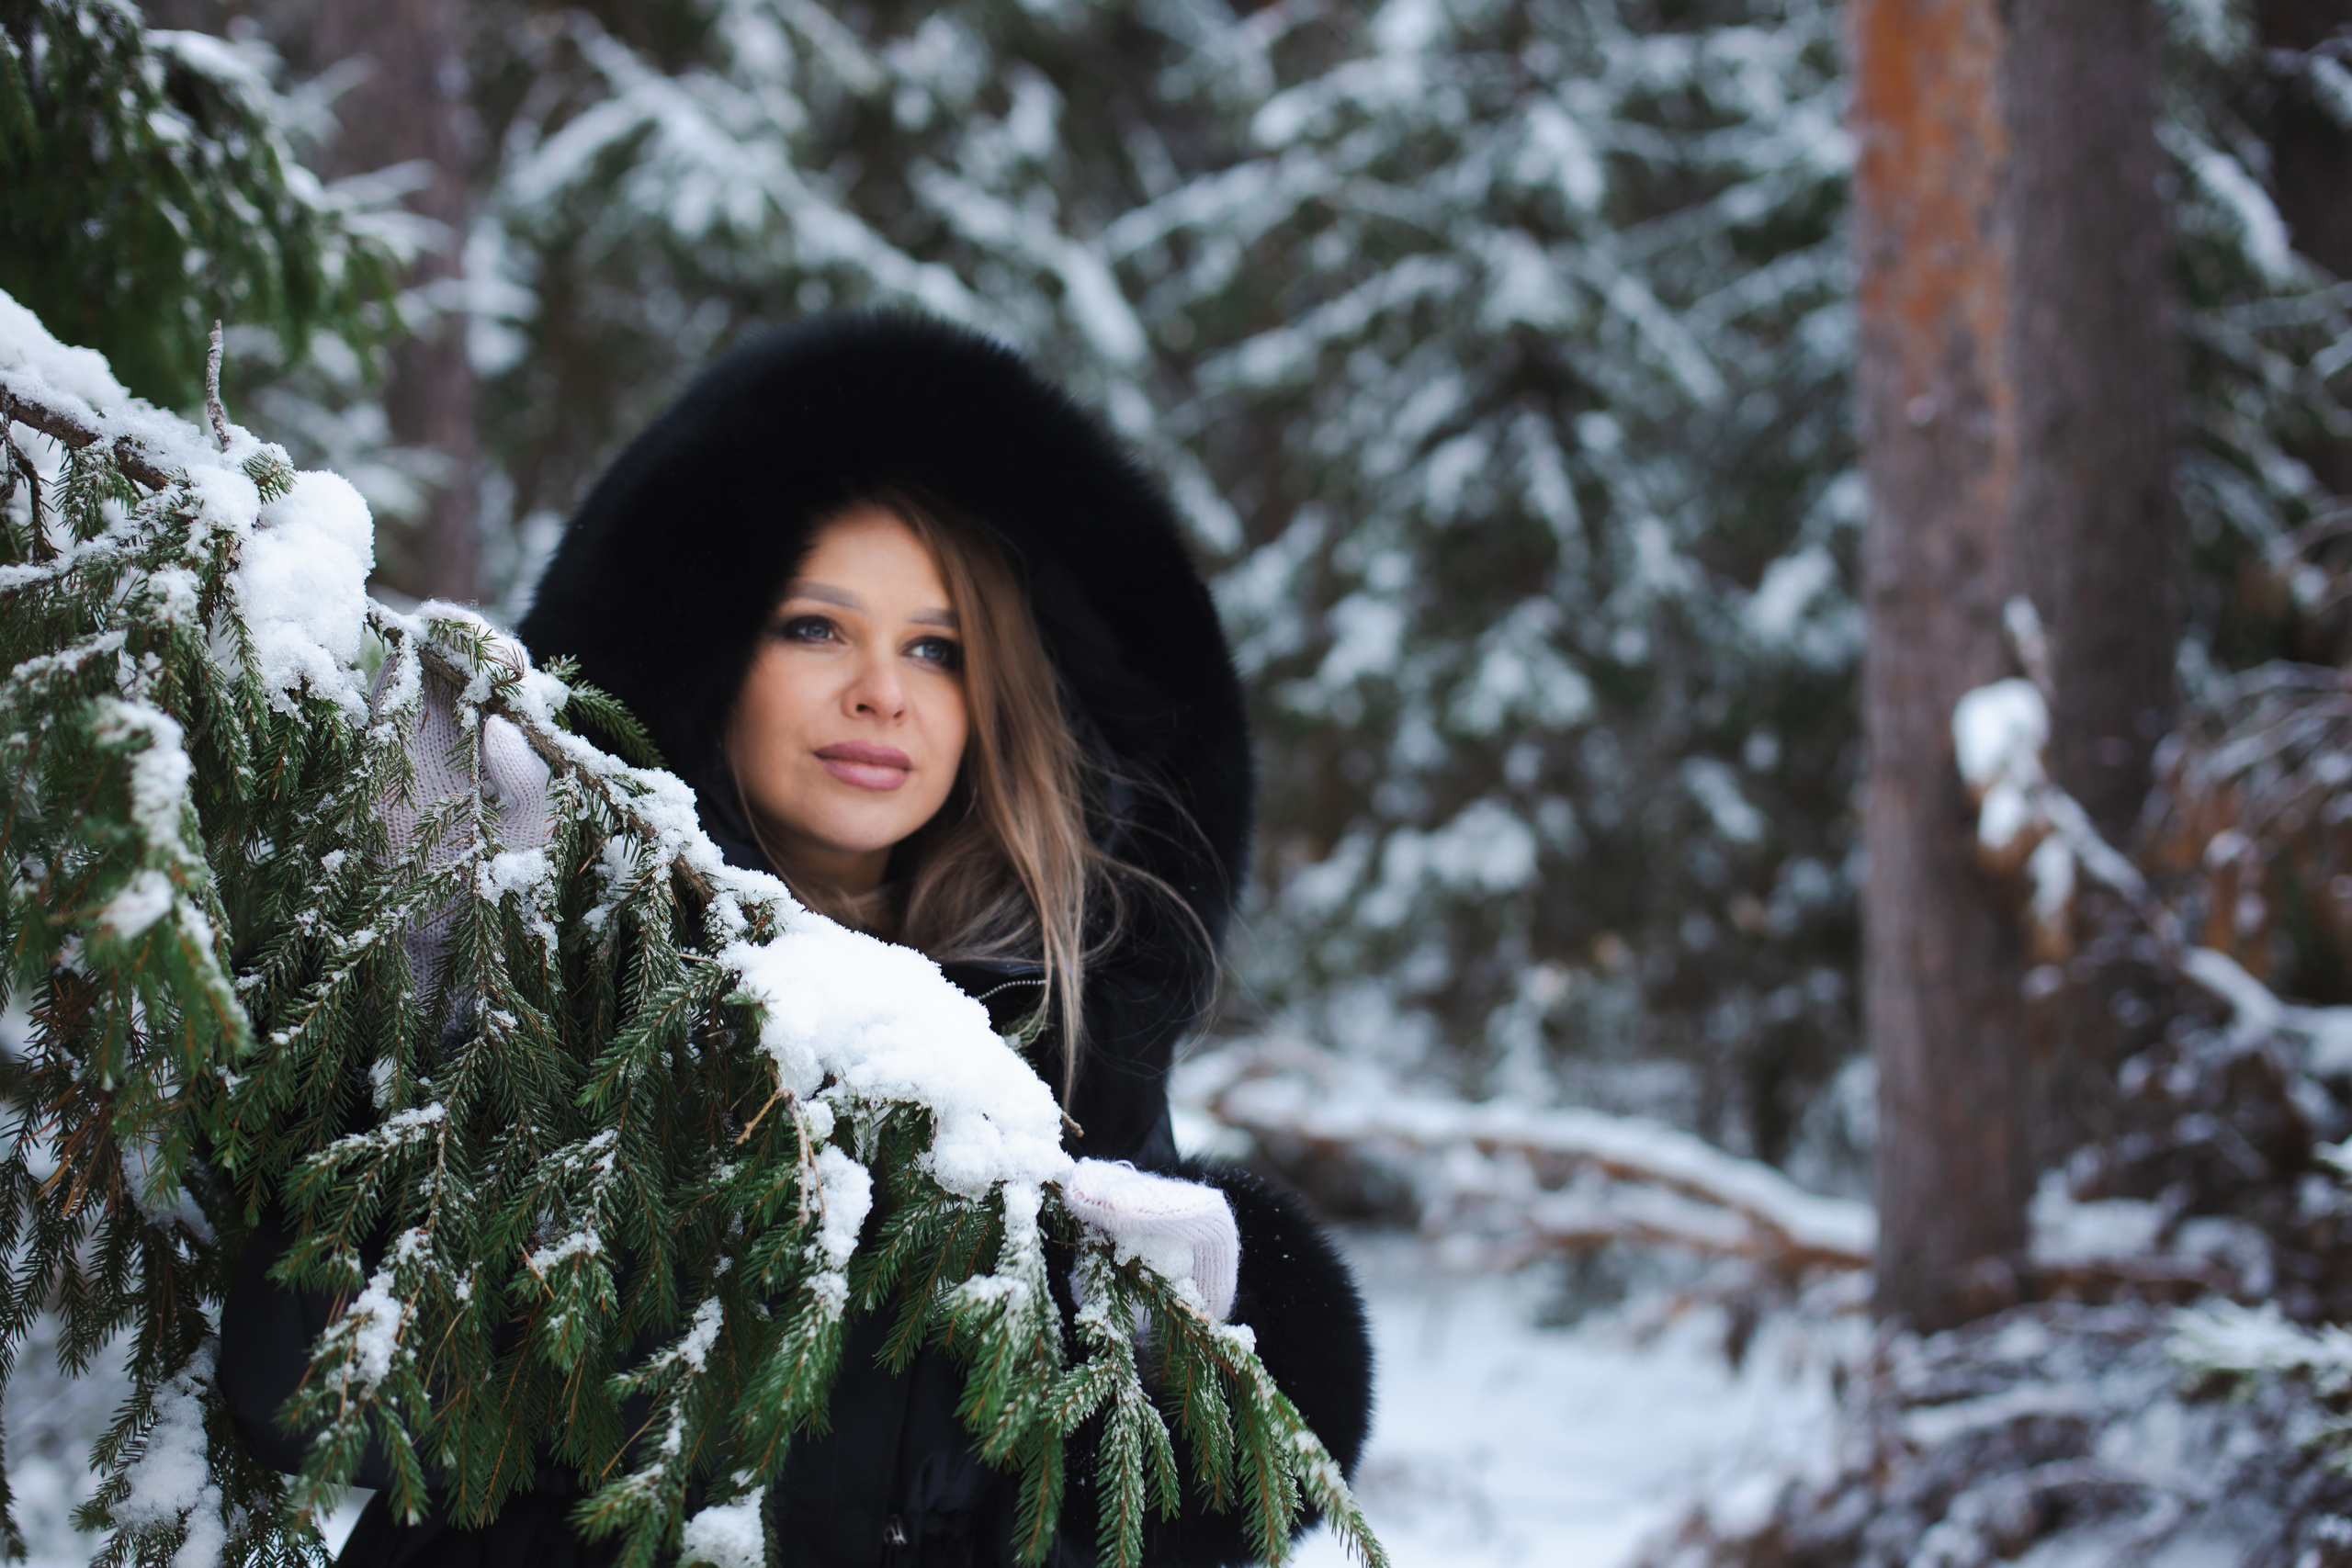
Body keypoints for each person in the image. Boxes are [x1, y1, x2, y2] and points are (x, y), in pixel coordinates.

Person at [221, 312, 1374, 1567]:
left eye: (936, 648)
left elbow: (1100, 1530)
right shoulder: (558, 965)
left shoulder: (1061, 1036)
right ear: (707, 650)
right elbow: (304, 1387)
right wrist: (429, 968)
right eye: (816, 626)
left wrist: (1187, 1366)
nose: (882, 690)